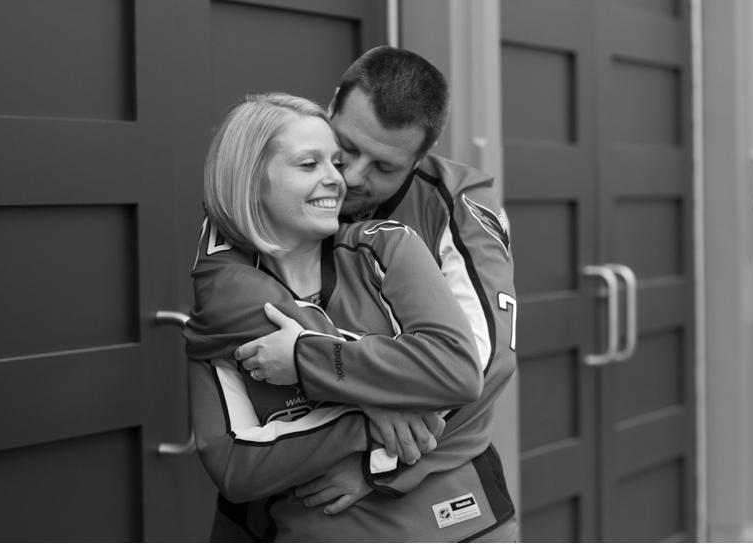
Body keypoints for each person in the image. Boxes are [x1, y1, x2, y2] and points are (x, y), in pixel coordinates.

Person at [186, 92, 515, 542]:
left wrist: (377, 460)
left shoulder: (408, 231)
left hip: (442, 513)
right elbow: (233, 462)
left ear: (419, 159)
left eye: (383, 166)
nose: (349, 178)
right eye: (345, 153)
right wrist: (370, 409)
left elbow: (475, 366)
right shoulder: (232, 268)